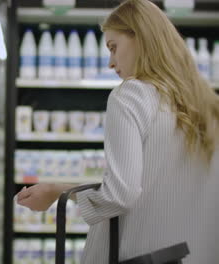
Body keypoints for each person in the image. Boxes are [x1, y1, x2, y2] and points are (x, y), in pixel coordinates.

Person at [16, 0, 219, 263]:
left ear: (141, 38)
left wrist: (59, 192)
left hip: (136, 254)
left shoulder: (132, 95)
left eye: (113, 48)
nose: (111, 63)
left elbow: (120, 195)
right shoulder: (208, 106)